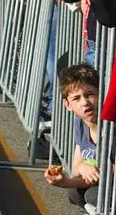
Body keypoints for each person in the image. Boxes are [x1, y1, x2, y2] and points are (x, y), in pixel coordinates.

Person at [44, 64, 100, 212]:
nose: (85, 102)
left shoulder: (110, 126)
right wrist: (64, 181)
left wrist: (71, 178)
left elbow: (108, 175)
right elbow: (76, 169)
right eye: (76, 98)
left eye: (89, 94)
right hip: (97, 182)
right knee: (74, 193)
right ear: (67, 105)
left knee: (93, 195)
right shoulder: (80, 122)